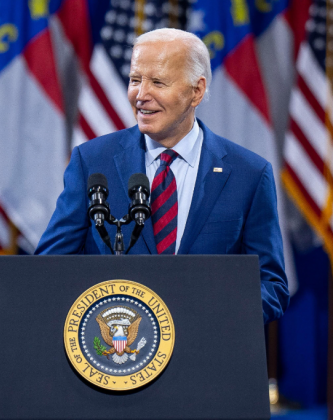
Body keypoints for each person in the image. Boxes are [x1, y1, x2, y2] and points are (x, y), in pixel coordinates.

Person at [35, 28, 289, 324]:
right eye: (135, 80)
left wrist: (214, 318)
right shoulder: (92, 162)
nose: (141, 95)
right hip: (116, 351)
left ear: (197, 90)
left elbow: (271, 286)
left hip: (206, 356)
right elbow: (49, 271)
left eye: (157, 82)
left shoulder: (249, 175)